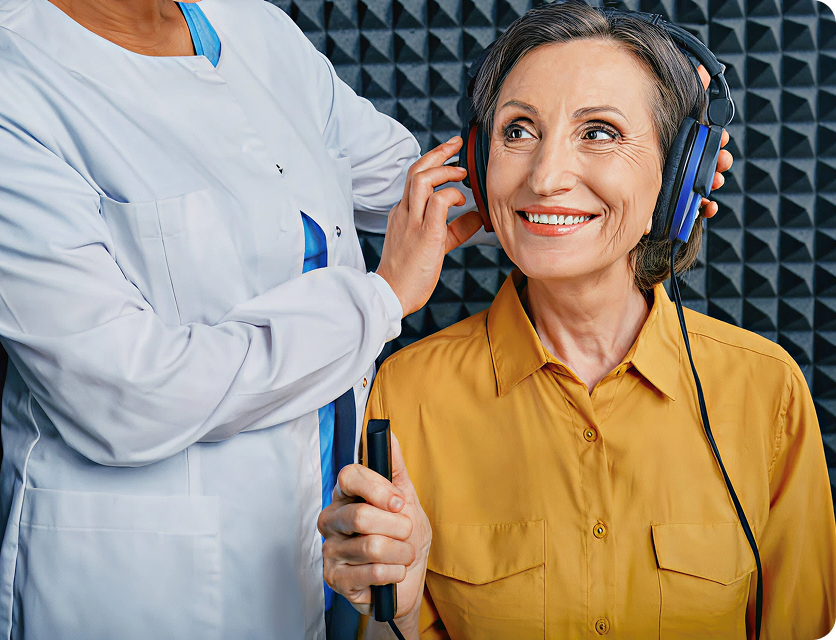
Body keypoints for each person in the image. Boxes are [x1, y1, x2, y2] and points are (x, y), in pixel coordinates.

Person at [0, 0, 728, 638]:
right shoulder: (17, 80)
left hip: (315, 568)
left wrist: (656, 168)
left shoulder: (254, 31)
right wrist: (382, 297)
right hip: (137, 583)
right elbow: (123, 395)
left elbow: (448, 188)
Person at [318, 4, 836, 639]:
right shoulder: (405, 394)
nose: (545, 178)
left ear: (680, 177)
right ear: (480, 165)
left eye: (599, 132)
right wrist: (394, 613)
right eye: (518, 131)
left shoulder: (767, 391)